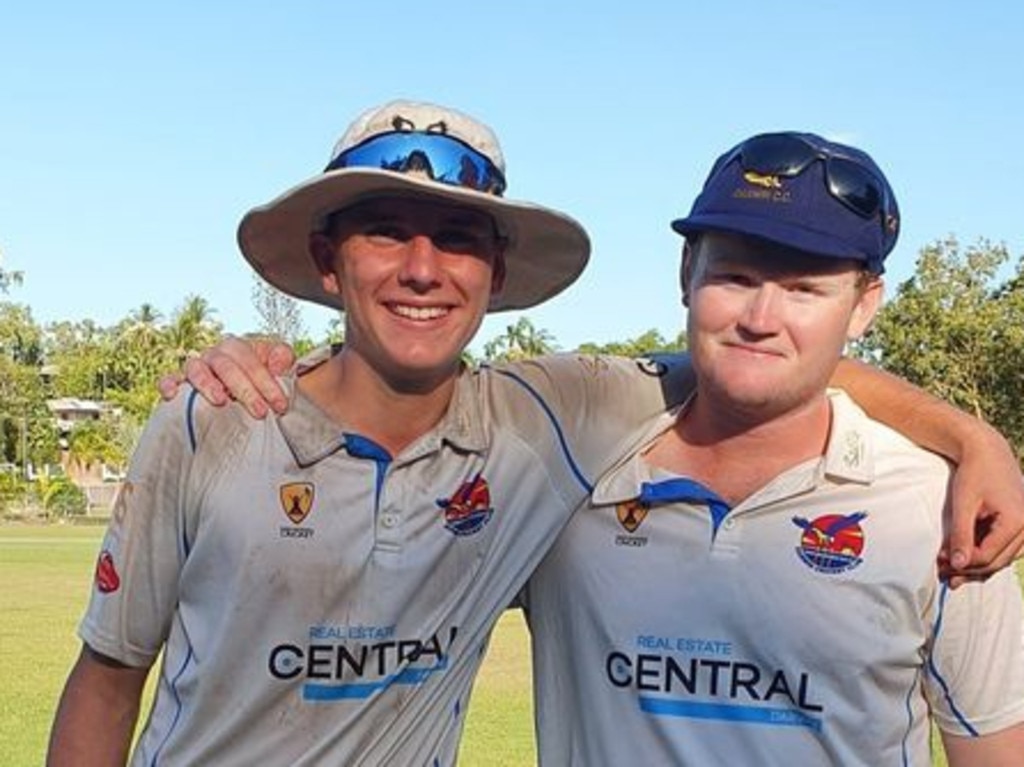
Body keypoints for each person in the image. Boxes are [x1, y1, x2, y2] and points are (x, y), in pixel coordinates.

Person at [82, 100, 1024, 766]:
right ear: (328, 260)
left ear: (496, 269)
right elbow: (108, 673)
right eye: (385, 232)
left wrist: (973, 437)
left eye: (455, 238)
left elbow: (763, 355)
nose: (421, 268)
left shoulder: (544, 424)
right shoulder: (216, 417)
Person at [520, 132, 1024, 765]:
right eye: (735, 276)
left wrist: (973, 439)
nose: (761, 316)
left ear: (864, 305)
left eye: (805, 289)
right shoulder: (565, 467)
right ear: (687, 274)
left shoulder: (942, 507)